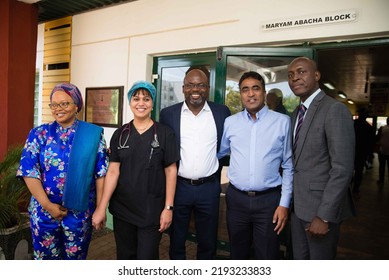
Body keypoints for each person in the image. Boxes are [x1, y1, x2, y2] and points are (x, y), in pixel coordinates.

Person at [17, 83, 108, 260]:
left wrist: (100, 208)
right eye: (54, 104)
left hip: (80, 213)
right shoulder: (39, 134)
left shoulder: (92, 135)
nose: (58, 109)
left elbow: (101, 173)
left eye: (64, 103)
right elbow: (29, 171)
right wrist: (48, 205)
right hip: (44, 211)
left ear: (76, 106)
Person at [92, 81, 180, 260]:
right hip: (123, 210)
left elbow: (171, 171)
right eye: (136, 98)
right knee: (125, 257)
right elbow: (113, 172)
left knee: (146, 259)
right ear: (130, 102)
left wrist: (168, 208)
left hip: (152, 210)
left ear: (152, 103)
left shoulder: (164, 134)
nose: (141, 103)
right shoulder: (120, 134)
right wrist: (101, 208)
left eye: (146, 99)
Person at [218, 71, 293, 260]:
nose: (250, 94)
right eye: (245, 90)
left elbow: (289, 166)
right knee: (237, 254)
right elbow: (221, 153)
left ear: (264, 92)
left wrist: (284, 204)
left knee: (267, 255)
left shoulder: (282, 122)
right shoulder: (230, 123)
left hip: (269, 202)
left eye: (255, 88)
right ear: (241, 94)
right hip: (236, 200)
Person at [159, 66, 231, 259]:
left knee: (208, 241)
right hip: (179, 187)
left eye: (200, 85)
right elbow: (164, 152)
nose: (195, 89)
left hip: (208, 187)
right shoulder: (168, 114)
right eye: (190, 85)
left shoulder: (221, 113)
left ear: (207, 88)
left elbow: (224, 148)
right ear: (183, 88)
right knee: (177, 239)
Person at [287, 57, 355, 260]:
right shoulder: (295, 114)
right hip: (297, 210)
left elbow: (342, 168)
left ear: (316, 76)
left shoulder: (334, 110)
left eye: (301, 72)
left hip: (319, 213)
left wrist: (324, 215)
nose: (295, 78)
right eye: (290, 75)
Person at [353, 108, 375, 196]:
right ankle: (356, 189)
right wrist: (370, 154)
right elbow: (370, 142)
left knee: (347, 169)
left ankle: (346, 187)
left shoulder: (353, 123)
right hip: (362, 152)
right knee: (359, 171)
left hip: (351, 151)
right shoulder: (368, 127)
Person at [376, 117, 389, 184]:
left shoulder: (382, 129)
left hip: (382, 151)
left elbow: (377, 138)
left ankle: (381, 180)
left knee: (382, 166)